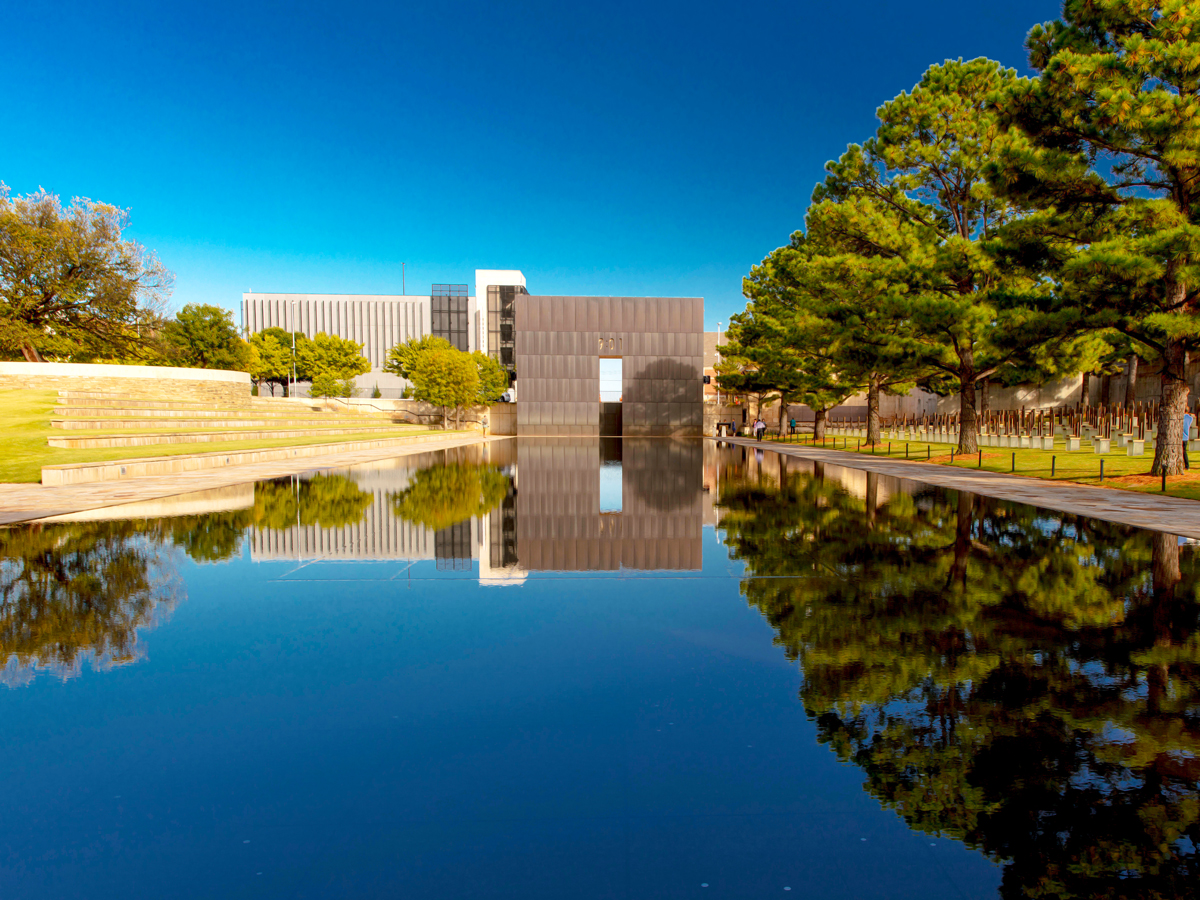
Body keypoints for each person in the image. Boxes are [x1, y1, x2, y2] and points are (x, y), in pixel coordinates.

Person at [1184, 406, 1194, 470]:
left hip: (1180, 436)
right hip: (1185, 437)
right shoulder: (1190, 418)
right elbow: (1192, 416)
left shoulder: (1180, 417)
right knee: (1184, 451)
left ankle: (1186, 465)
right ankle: (1186, 465)